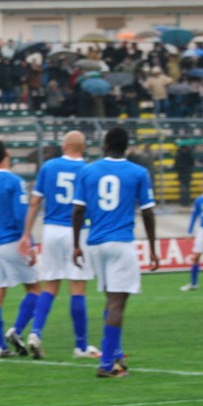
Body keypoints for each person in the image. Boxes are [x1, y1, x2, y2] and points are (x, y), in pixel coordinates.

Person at [72, 127, 159, 378]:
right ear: (126, 147)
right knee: (118, 303)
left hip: (96, 243)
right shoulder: (138, 172)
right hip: (121, 242)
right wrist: (153, 248)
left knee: (111, 300)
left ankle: (116, 354)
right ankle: (107, 364)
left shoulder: (88, 171)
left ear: (106, 145)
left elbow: (77, 211)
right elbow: (148, 211)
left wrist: (76, 244)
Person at [19, 131, 100, 359]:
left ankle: (35, 332)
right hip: (77, 231)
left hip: (51, 230)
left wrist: (26, 234)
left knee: (50, 287)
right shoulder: (89, 170)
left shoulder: (49, 166)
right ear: (83, 148)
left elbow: (34, 203)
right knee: (77, 288)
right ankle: (81, 346)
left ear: (64, 145)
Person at [0, 138, 41, 358]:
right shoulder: (15, 181)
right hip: (12, 241)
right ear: (6, 154)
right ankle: (16, 330)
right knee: (35, 290)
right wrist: (28, 242)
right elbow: (20, 215)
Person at [180, 173, 203, 292]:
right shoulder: (200, 200)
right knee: (196, 257)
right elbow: (194, 216)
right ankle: (193, 284)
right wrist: (189, 232)